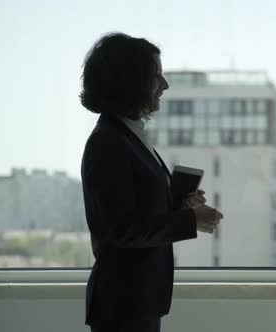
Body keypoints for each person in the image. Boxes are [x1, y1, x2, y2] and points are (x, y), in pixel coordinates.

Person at [79, 32, 223, 332]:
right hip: (122, 306)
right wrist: (189, 220)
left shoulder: (126, 136)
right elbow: (121, 229)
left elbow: (135, 210)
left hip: (136, 300)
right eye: (156, 75)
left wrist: (180, 204)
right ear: (131, 81)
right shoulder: (108, 142)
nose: (165, 85)